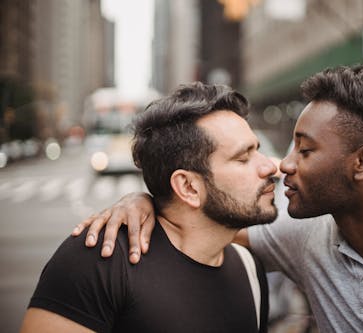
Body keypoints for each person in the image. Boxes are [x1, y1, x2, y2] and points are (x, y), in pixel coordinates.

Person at [74, 65, 363, 332]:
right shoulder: (303, 234)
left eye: (306, 150)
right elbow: (201, 221)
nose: (283, 165)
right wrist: (147, 199)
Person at [21, 82, 278, 333]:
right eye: (243, 158)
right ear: (188, 187)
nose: (269, 167)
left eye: (257, 150)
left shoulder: (249, 268)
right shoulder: (99, 260)